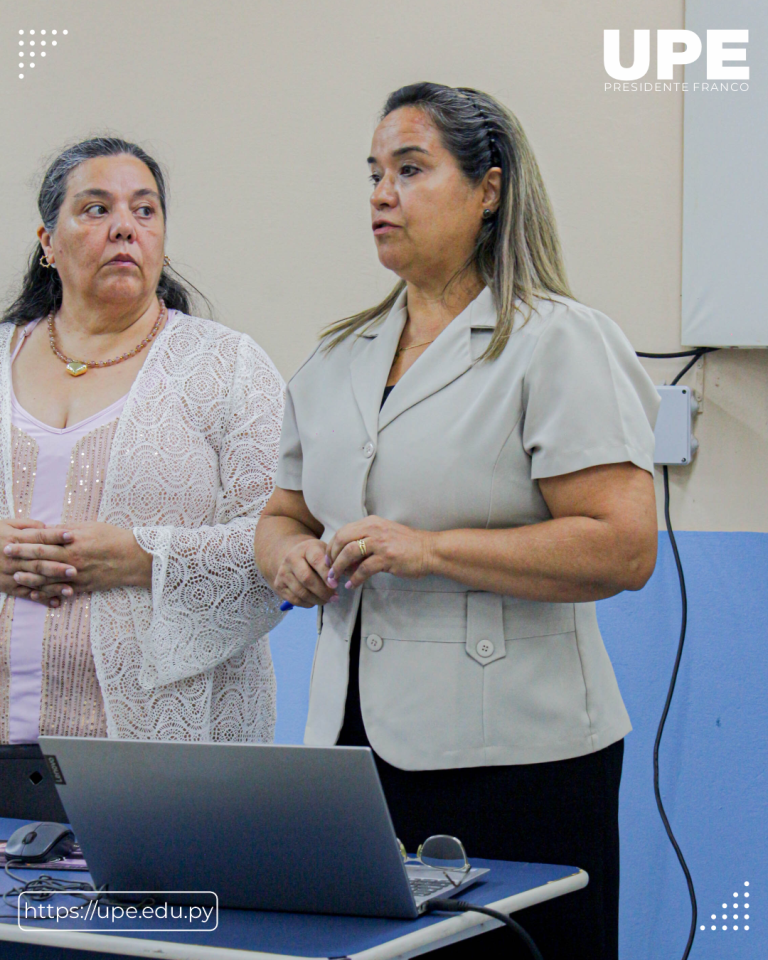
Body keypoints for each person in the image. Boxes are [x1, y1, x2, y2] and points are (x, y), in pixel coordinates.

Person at [254, 83, 660, 959]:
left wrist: (431, 550)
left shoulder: (559, 341)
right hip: (354, 753)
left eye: (410, 170)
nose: (381, 194)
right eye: (373, 174)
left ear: (489, 190)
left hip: (518, 760)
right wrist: (286, 557)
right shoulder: (336, 356)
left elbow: (622, 547)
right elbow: (283, 513)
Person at [0, 137, 284, 818]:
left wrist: (145, 558)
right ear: (47, 242)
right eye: (96, 209)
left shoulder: (227, 368)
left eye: (145, 210)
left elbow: (287, 545)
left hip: (158, 756)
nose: (125, 226)